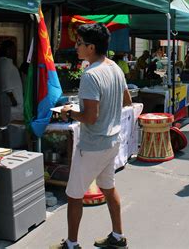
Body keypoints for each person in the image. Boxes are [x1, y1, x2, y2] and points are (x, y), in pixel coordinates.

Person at [55, 23, 132, 249]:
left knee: (74, 195)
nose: (76, 47)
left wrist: (70, 112)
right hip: (113, 141)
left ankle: (71, 244)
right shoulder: (115, 68)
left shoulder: (91, 74)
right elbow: (126, 100)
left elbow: (90, 117)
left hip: (93, 144)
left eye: (79, 43)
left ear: (90, 47)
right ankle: (118, 237)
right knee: (108, 188)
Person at [0, 40, 23, 127]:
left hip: (7, 105)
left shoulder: (2, 63)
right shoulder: (5, 64)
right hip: (11, 107)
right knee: (12, 128)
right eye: (13, 50)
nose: (15, 52)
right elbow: (6, 87)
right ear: (8, 50)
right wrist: (14, 101)